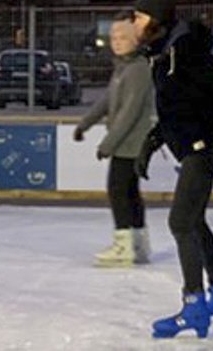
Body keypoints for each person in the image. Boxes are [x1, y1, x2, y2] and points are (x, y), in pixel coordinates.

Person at [131, 0, 213, 339]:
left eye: (139, 17)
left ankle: (195, 305)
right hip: (192, 145)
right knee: (194, 222)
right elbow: (180, 107)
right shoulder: (162, 55)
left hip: (201, 149)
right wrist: (154, 140)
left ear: (157, 19)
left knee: (180, 222)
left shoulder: (186, 50)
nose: (134, 23)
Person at [73, 14, 154, 267]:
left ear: (135, 40)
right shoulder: (122, 68)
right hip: (124, 141)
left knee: (118, 190)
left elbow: (130, 111)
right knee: (129, 191)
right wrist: (85, 123)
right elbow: (107, 101)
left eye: (123, 38)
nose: (117, 42)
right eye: (113, 38)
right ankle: (138, 244)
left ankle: (124, 245)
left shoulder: (139, 69)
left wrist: (108, 144)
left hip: (132, 142)